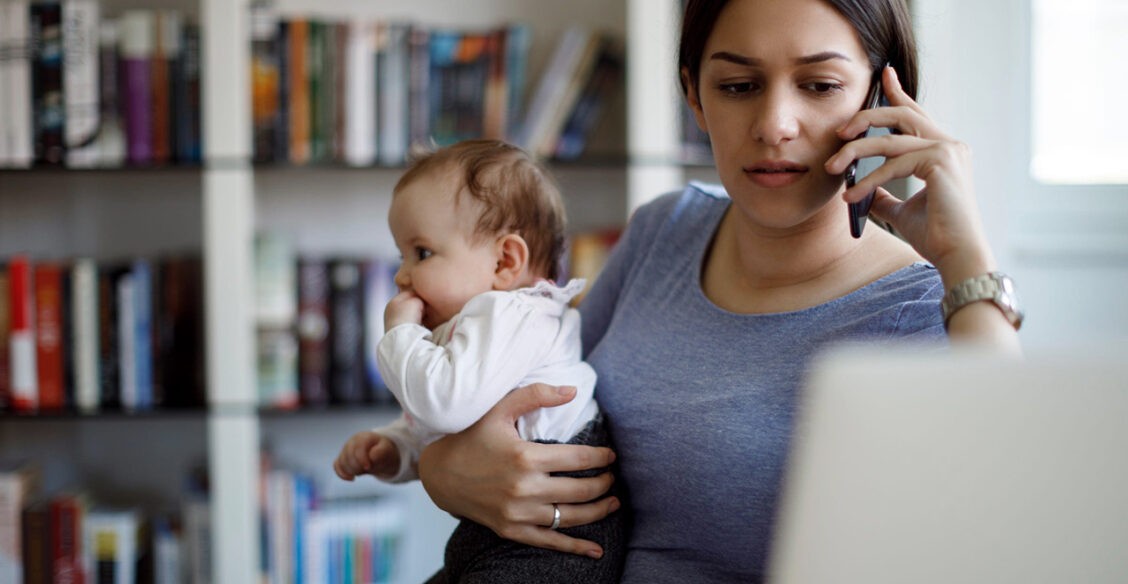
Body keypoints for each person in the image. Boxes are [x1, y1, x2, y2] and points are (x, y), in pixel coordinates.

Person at [413, 0, 1023, 582]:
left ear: (882, 97)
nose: (774, 126)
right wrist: (440, 468)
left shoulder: (926, 312)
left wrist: (966, 257)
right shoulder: (664, 229)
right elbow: (532, 396)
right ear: (694, 97)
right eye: (738, 86)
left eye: (819, 85)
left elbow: (1009, 521)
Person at [332, 139, 627, 582]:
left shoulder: (512, 313)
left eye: (422, 253)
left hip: (553, 542)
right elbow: (451, 429)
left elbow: (445, 404)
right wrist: (394, 448)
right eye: (402, 255)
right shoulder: (478, 323)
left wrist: (399, 334)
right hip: (502, 528)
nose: (401, 275)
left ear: (505, 261)